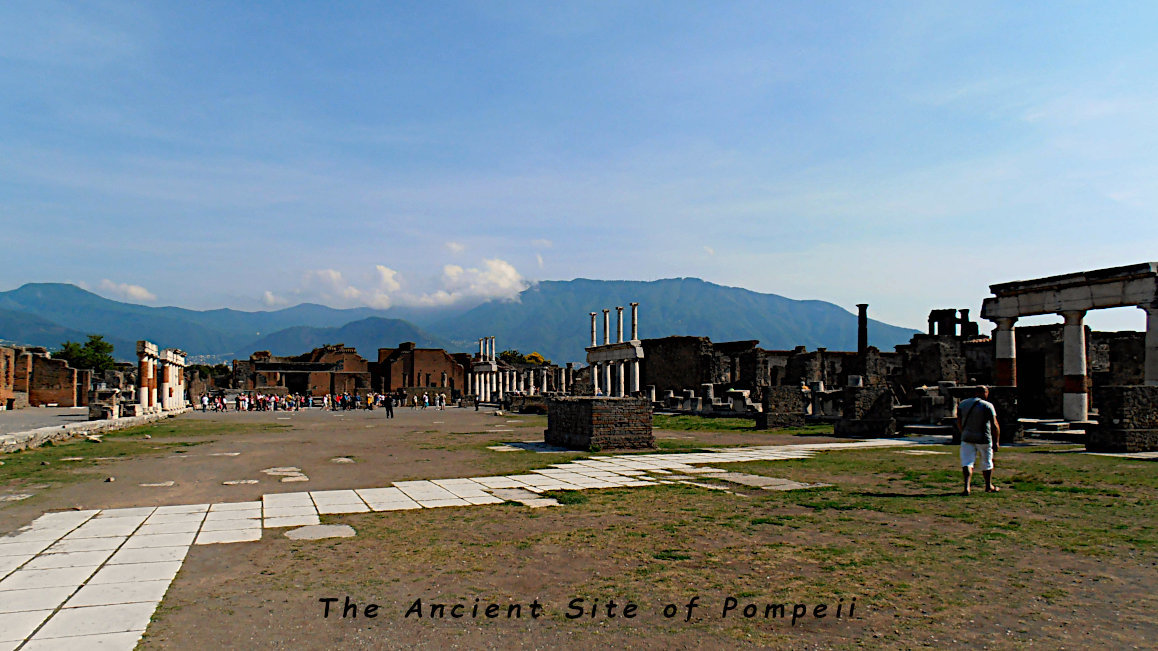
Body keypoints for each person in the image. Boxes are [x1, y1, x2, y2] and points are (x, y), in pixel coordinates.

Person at [957, 385, 1001, 496]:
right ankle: (988, 485)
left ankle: (967, 487)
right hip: (983, 437)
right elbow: (994, 424)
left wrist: (963, 432)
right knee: (987, 462)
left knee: (967, 462)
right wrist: (996, 441)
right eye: (986, 392)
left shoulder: (963, 404)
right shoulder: (987, 405)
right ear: (983, 393)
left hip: (967, 437)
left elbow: (959, 421)